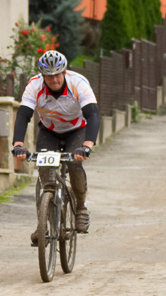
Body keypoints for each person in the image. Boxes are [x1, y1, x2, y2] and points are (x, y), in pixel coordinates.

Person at [12, 50, 100, 242]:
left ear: (64, 72)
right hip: (49, 132)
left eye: (57, 74)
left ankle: (81, 208)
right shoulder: (34, 86)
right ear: (42, 76)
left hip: (77, 131)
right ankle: (43, 224)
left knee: (75, 165)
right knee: (46, 173)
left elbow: (92, 115)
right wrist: (18, 144)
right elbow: (23, 115)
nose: (54, 79)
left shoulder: (78, 83)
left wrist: (87, 145)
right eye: (49, 76)